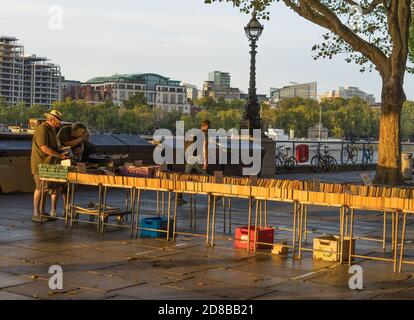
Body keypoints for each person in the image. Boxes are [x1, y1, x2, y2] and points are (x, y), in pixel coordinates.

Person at [31, 110, 68, 222]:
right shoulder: (42, 129)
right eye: (58, 122)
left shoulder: (51, 130)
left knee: (45, 188)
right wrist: (60, 156)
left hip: (48, 163)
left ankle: (42, 212)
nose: (59, 124)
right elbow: (44, 148)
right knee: (39, 188)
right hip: (40, 163)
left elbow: (53, 146)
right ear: (52, 120)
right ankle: (36, 212)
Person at [177, 119, 211, 205]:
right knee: (206, 176)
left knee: (185, 177)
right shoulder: (204, 134)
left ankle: (179, 197)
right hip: (195, 159)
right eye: (209, 127)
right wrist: (206, 161)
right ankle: (214, 195)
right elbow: (205, 148)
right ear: (206, 126)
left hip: (188, 157)